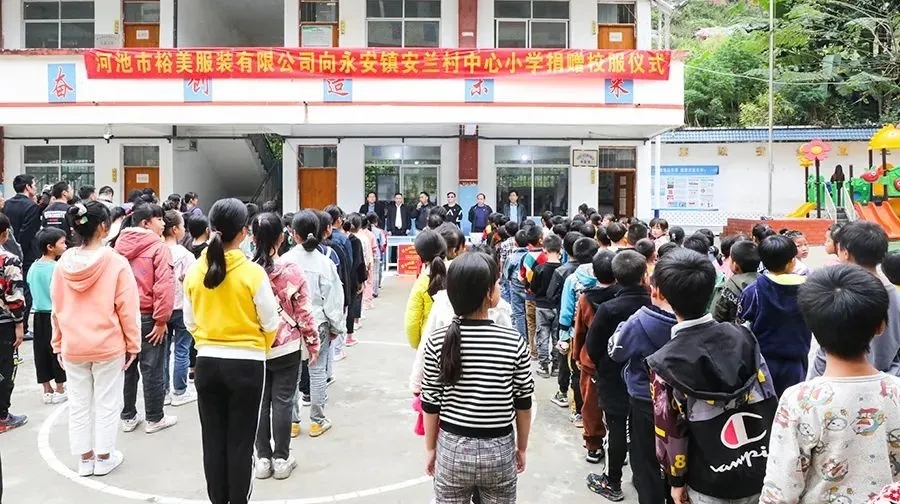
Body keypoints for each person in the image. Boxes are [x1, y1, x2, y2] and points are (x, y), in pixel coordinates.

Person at [646, 249, 777, 504]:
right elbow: (769, 394)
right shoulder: (744, 337)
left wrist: (676, 481)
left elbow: (671, 432)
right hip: (761, 468)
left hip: (708, 479)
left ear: (658, 293)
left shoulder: (664, 364)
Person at [761, 264, 900, 503]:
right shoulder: (896, 392)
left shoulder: (799, 401)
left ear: (811, 327)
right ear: (881, 325)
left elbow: (780, 492)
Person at [183, 198, 280, 503]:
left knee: (212, 440)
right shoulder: (252, 273)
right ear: (243, 232)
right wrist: (260, 346)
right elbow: (270, 321)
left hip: (207, 362)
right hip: (247, 364)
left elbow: (190, 322)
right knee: (241, 442)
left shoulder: (195, 271)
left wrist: (208, 340)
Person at [421, 251, 534, 502]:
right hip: (499, 450)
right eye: (497, 283)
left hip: (452, 450)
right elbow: (523, 402)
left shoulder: (438, 341)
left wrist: (430, 448)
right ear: (487, 293)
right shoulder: (513, 342)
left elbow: (430, 402)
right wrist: (522, 447)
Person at [50, 200, 141, 476]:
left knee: (78, 403)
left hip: (73, 344)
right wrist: (133, 343)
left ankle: (85, 458)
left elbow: (57, 307)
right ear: (103, 227)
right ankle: (104, 456)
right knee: (107, 401)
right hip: (107, 344)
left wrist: (58, 342)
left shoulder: (64, 263)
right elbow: (127, 307)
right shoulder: (115, 262)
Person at [608, 249, 680, 503]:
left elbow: (616, 351)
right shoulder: (699, 324)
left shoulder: (640, 320)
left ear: (655, 290)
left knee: (644, 456)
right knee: (677, 455)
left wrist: (621, 327)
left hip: (644, 398)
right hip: (683, 398)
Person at [251, 213, 318, 480]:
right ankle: (281, 459)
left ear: (253, 237)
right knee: (283, 401)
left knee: (259, 402)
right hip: (286, 346)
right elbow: (304, 312)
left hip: (255, 346)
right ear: (282, 238)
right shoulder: (291, 270)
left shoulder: (246, 271)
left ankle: (262, 459)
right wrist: (313, 344)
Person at [585, 250, 655, 502]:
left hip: (613, 377)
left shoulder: (609, 308)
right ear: (644, 274)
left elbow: (593, 346)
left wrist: (603, 366)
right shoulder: (653, 303)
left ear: (615, 276)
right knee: (642, 430)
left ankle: (612, 481)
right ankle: (641, 477)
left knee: (615, 428)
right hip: (647, 379)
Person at [282, 210, 346, 438]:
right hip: (318, 323)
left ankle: (292, 422)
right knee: (317, 371)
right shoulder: (325, 263)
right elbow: (334, 300)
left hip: (290, 325)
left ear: (294, 234)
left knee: (292, 374)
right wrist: (336, 327)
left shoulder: (284, 261)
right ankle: (317, 421)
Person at [113, 203, 177, 433]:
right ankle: (154, 417)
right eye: (159, 219)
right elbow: (164, 286)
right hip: (149, 316)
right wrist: (161, 320)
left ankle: (128, 416)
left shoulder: (117, 247)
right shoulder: (159, 248)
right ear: (145, 223)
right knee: (152, 368)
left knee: (128, 366)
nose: (163, 223)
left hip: (122, 315)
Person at [809, 221, 900, 377]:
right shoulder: (895, 295)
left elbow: (824, 352)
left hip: (839, 380)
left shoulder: (835, 294)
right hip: (887, 379)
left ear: (845, 252)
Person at [737, 235, 811, 396]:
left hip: (762, 364)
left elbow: (742, 326)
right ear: (792, 261)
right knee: (790, 404)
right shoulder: (810, 290)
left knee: (765, 404)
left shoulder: (753, 291)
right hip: (796, 362)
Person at [570, 250, 620, 464]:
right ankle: (617, 444)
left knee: (591, 406)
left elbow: (580, 331)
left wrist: (576, 355)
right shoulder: (623, 296)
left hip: (591, 360)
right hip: (618, 358)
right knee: (618, 405)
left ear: (594, 273)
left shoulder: (586, 298)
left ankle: (593, 445)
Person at [28, 227, 68, 404]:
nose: (65, 245)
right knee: (57, 350)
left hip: (38, 314)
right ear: (50, 247)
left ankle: (46, 389)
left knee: (41, 352)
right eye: (62, 243)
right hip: (55, 314)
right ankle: (60, 387)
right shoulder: (57, 268)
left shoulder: (33, 267)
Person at [161, 210, 197, 407]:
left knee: (164, 352)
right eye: (182, 226)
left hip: (162, 308)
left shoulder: (157, 252)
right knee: (182, 350)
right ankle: (180, 391)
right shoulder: (186, 255)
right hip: (182, 307)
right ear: (175, 229)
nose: (184, 229)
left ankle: (164, 392)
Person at [5, 175, 42, 338]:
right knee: (25, 289)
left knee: (8, 288)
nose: (36, 188)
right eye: (34, 184)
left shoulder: (7, 204)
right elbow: (27, 234)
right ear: (27, 187)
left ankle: (9, 322)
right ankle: (23, 326)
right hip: (26, 255)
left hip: (7, 252)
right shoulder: (32, 207)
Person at [0, 213, 26, 434]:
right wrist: (20, 323)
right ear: (5, 233)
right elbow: (14, 295)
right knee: (5, 369)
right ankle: (2, 416)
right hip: (4, 323)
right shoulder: (8, 259)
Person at [404, 230, 448, 349]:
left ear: (421, 256)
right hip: (455, 340)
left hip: (429, 341)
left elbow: (412, 321)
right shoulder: (457, 272)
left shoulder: (422, 282)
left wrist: (417, 344)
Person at [531, 234, 563, 378]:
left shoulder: (539, 269)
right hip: (557, 306)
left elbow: (533, 287)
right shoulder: (563, 269)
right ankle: (556, 365)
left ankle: (544, 366)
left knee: (542, 335)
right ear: (560, 249)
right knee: (557, 335)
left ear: (544, 249)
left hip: (541, 306)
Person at [711, 240, 760, 323]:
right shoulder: (766, 282)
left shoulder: (727, 288)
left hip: (734, 330)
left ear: (735, 266)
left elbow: (716, 318)